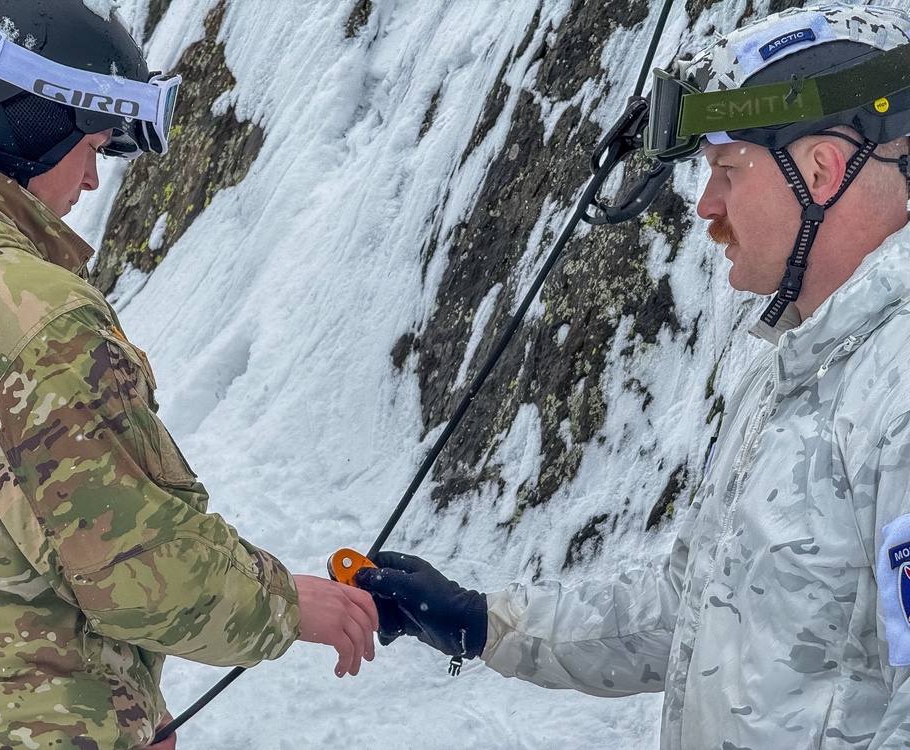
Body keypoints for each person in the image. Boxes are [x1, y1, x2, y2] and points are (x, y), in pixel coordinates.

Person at [356, 5, 910, 748]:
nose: (707, 207)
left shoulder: (896, 390)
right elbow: (694, 607)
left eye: (726, 170)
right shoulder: (799, 369)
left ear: (821, 170)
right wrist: (486, 621)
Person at [0, 1, 376, 748]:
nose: (93, 180)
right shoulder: (27, 314)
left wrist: (128, 699)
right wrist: (290, 603)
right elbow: (134, 567)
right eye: (91, 144)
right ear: (27, 119)